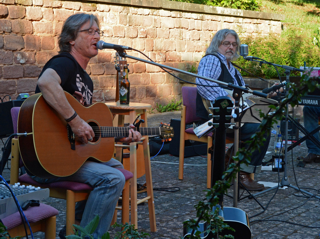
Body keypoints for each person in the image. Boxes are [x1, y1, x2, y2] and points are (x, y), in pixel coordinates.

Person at [30, 13, 142, 238]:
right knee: (112, 178)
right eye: (89, 31)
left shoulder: (86, 80)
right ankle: (86, 237)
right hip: (46, 160)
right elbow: (45, 82)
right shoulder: (64, 62)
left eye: (98, 32)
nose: (96, 36)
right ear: (71, 38)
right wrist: (75, 121)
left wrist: (119, 136)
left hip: (69, 155)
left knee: (116, 167)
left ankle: (75, 228)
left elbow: (87, 134)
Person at [196, 29, 271, 191]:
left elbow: (244, 95)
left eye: (234, 44)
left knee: (264, 122)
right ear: (217, 45)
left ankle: (229, 162)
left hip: (234, 116)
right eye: (226, 43)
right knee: (261, 128)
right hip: (215, 118)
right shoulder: (213, 59)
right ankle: (241, 172)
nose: (231, 47)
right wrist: (226, 98)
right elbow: (204, 83)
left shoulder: (233, 69)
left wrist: (266, 95)